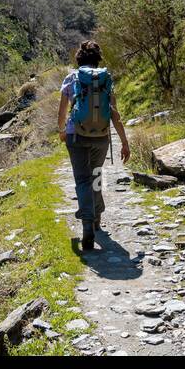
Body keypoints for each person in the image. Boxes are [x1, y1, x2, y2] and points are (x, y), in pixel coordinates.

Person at [58, 40, 130, 251]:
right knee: (97, 173)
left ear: (79, 58)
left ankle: (87, 221)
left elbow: (62, 112)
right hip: (101, 136)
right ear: (98, 59)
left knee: (82, 179)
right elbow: (115, 114)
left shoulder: (72, 78)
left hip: (76, 136)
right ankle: (97, 213)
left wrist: (62, 130)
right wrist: (124, 143)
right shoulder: (106, 79)